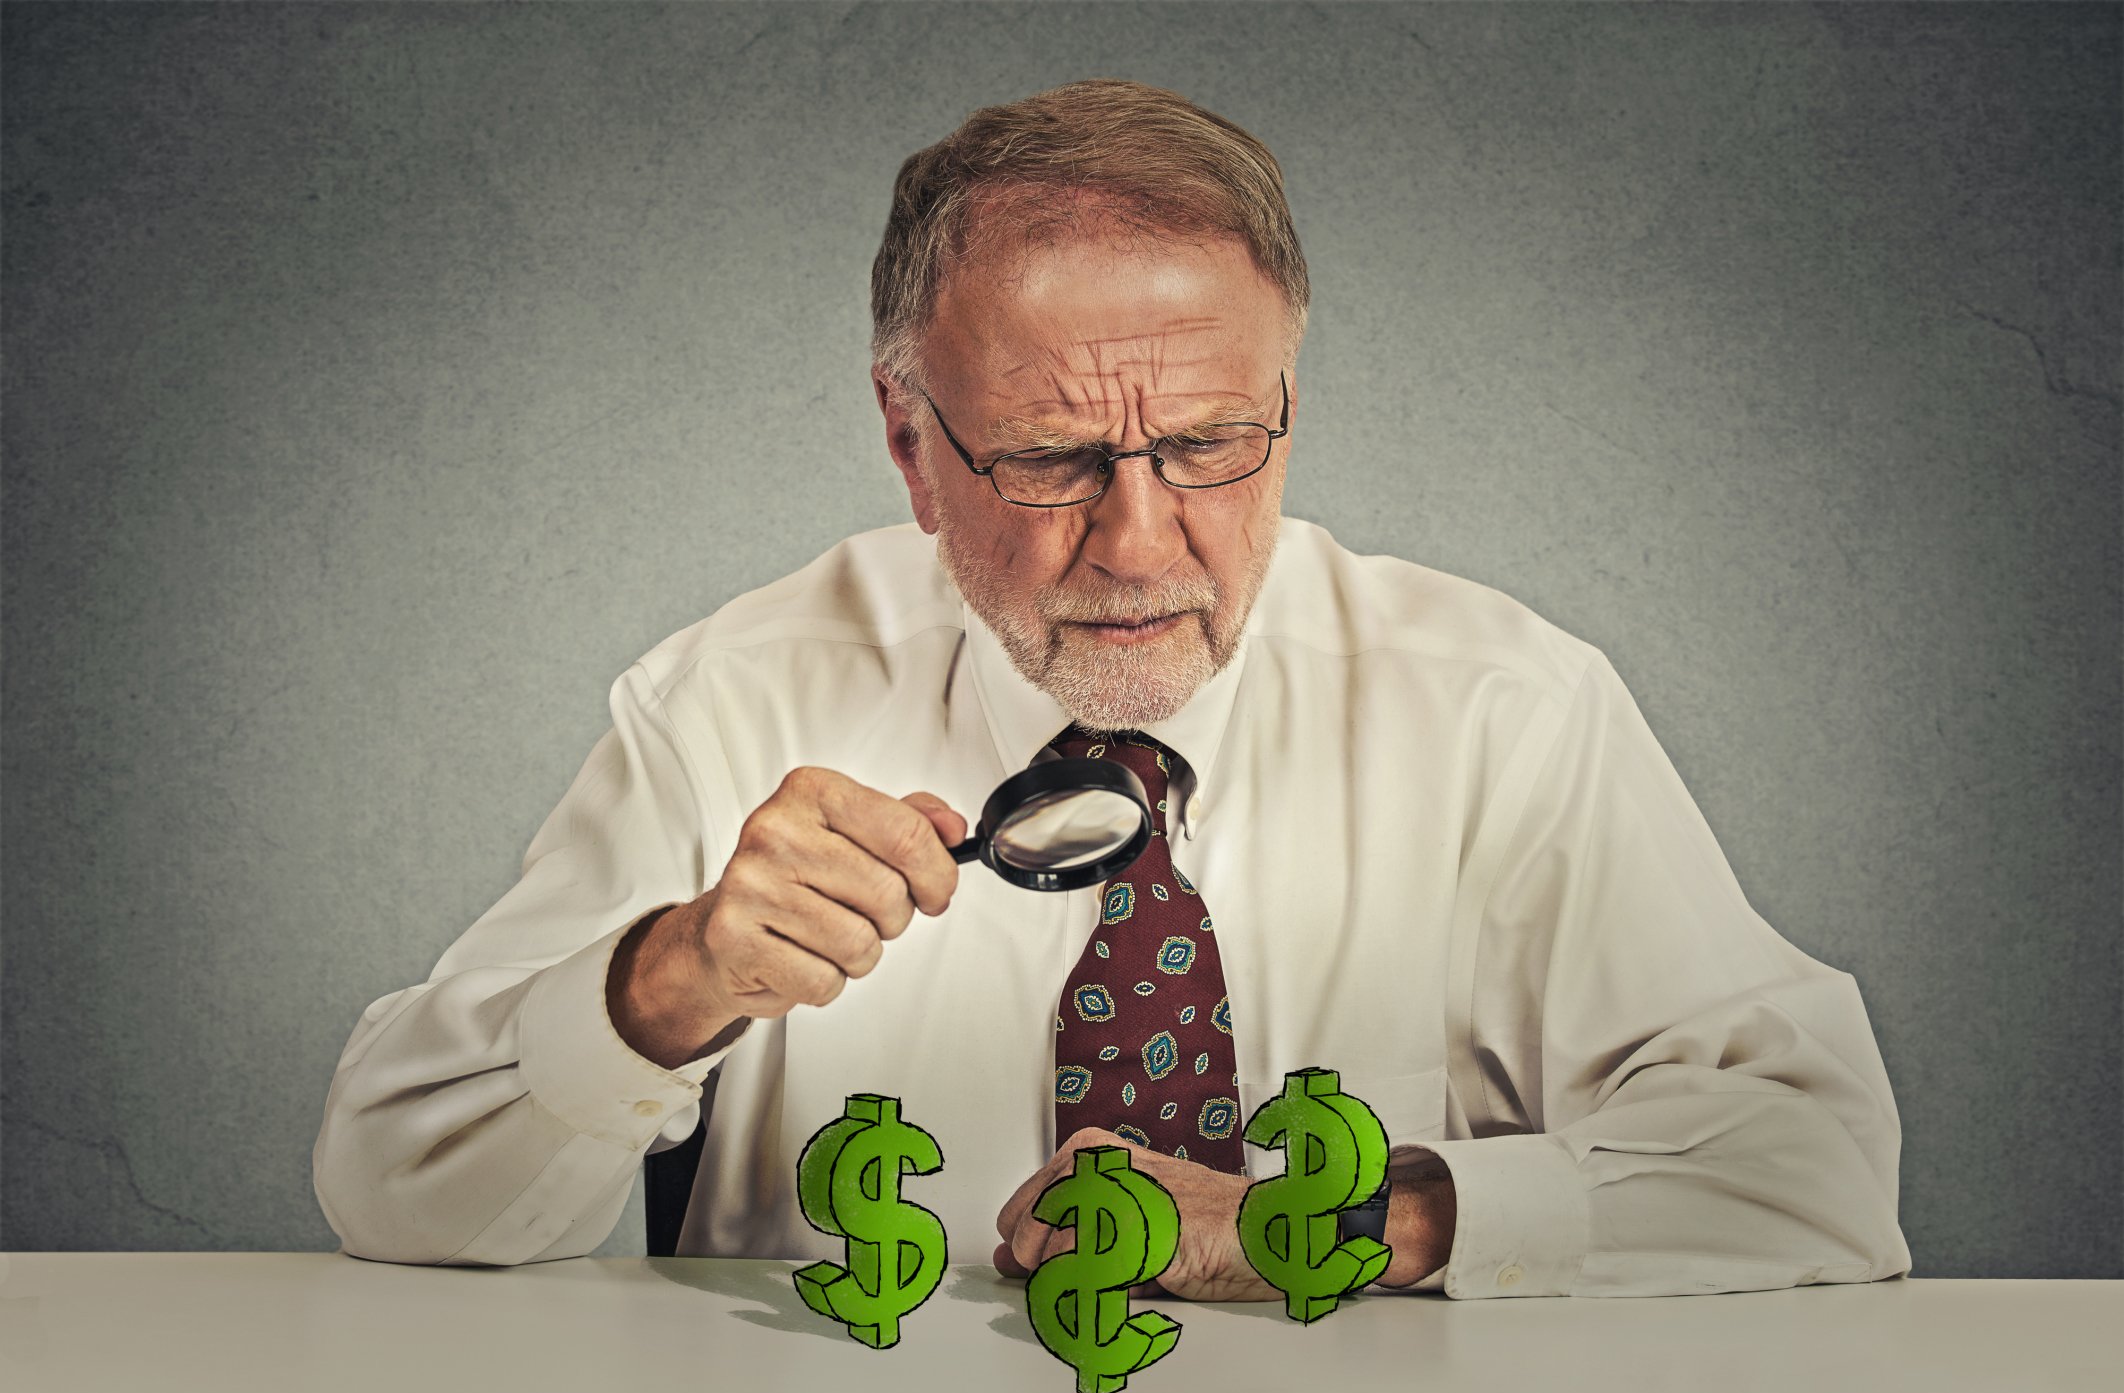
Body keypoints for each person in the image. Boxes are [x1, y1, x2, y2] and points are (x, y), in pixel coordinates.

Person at [313, 79, 1912, 1301]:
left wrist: (1344, 1225)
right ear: (908, 441)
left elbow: (1814, 1165)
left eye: (1214, 444)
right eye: (1054, 456)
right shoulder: (732, 697)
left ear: (1288, 399)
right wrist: (662, 984)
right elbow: (395, 1190)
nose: (1142, 541)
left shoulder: (1501, 707)